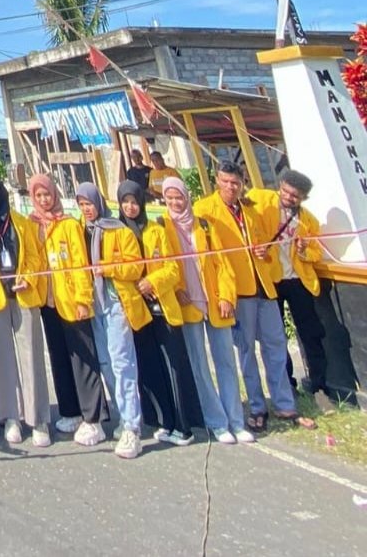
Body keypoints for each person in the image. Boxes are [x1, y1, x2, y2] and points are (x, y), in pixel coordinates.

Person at [195, 162, 311, 432]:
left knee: (276, 345)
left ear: (242, 183)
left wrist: (264, 253)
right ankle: (257, 407)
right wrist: (221, 294)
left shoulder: (250, 208)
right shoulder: (204, 210)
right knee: (247, 351)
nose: (231, 187)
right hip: (237, 291)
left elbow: (263, 244)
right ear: (217, 181)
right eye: (226, 182)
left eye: (236, 183)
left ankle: (284, 403)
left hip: (264, 287)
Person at [161, 177, 254, 445]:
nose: (176, 202)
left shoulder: (205, 225)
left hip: (215, 303)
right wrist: (176, 288)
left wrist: (227, 296)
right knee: (200, 365)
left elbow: (223, 265)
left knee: (226, 362)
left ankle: (236, 421)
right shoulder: (163, 226)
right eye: (170, 198)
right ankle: (217, 422)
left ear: (186, 197)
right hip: (188, 304)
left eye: (179, 197)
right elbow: (162, 263)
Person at [116, 180, 200, 446]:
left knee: (173, 364)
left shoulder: (157, 230)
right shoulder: (116, 233)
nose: (130, 207)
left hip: (162, 305)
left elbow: (174, 269)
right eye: (125, 202)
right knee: (150, 366)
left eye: (134, 201)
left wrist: (152, 281)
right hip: (137, 308)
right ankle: (164, 421)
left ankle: (183, 426)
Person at [0, 175, 51, 447]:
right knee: (0, 357)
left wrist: (27, 276)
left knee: (31, 355)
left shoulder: (21, 222)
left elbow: (35, 256)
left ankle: (37, 418)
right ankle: (10, 416)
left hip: (23, 293)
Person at [28, 174, 107, 447]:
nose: (43, 200)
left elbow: (80, 264)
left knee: (83, 360)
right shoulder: (36, 225)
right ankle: (70, 410)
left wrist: (84, 299)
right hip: (49, 302)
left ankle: (93, 418)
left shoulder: (69, 225)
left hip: (73, 301)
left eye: (47, 194)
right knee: (60, 357)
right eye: (38, 196)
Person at [75, 182, 146, 459]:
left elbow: (135, 266)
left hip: (117, 303)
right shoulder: (82, 230)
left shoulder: (118, 230)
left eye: (89, 203)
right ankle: (122, 415)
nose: (86, 209)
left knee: (122, 363)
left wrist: (109, 268)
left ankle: (132, 427)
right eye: (81, 204)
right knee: (105, 362)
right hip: (95, 305)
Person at [247, 170, 327, 396]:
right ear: (280, 186)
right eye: (287, 192)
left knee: (310, 332)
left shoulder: (308, 219)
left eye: (296, 196)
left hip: (298, 280)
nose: (290, 198)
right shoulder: (261, 200)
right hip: (272, 279)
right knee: (276, 335)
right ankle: (287, 385)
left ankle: (319, 384)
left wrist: (304, 251)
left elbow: (317, 251)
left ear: (303, 199)